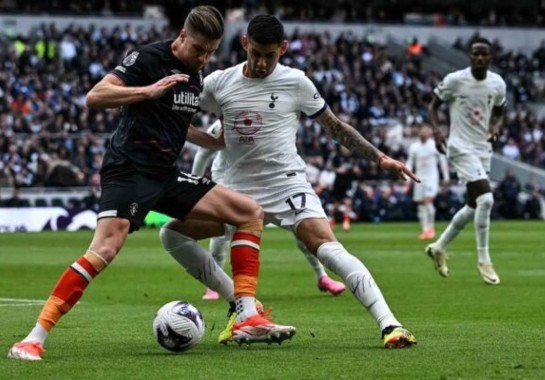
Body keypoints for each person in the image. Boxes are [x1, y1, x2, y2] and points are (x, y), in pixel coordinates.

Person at [8, 6, 294, 362]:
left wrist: (212, 141)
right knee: (105, 250)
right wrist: (147, 91)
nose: (203, 58)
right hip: (127, 171)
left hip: (165, 174)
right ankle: (33, 338)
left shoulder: (196, 75)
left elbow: (175, 123)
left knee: (250, 213)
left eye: (210, 52)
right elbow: (96, 96)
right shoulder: (148, 57)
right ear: (182, 36)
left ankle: (247, 317)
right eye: (198, 49)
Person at [160, 14, 419, 348]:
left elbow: (335, 127)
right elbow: (174, 117)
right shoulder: (218, 83)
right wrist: (208, 141)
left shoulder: (296, 82)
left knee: (328, 248)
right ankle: (242, 309)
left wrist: (379, 158)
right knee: (172, 235)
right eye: (256, 53)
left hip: (285, 184)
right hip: (233, 189)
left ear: (282, 49)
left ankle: (390, 325)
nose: (263, 62)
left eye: (271, 54)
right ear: (244, 45)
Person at [192, 120, 346, 301]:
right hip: (230, 182)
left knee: (302, 229)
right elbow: (203, 154)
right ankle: (212, 286)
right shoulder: (224, 123)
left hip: (268, 183)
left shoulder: (270, 118)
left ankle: (322, 276)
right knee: (221, 234)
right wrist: (195, 186)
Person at [426, 37, 506, 285]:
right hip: (460, 146)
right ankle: (484, 259)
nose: (480, 58)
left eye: (484, 55)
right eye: (476, 54)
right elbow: (433, 106)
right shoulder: (455, 80)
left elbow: (501, 112)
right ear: (470, 57)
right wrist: (437, 131)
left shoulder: (497, 83)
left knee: (473, 206)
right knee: (487, 199)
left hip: (483, 148)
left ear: (490, 59)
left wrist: (495, 126)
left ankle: (439, 246)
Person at [405, 124, 450, 240]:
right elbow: (410, 163)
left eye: (426, 131)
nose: (423, 133)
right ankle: (425, 229)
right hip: (419, 178)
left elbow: (442, 161)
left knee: (427, 201)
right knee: (420, 204)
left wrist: (446, 177)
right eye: (421, 131)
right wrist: (407, 178)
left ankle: (431, 228)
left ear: (429, 132)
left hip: (432, 178)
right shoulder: (414, 147)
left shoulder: (434, 145)